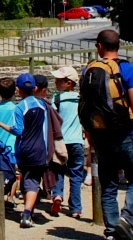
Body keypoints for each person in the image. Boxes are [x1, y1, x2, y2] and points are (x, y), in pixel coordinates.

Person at [80, 29, 133, 240]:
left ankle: (111, 231)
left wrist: (89, 132)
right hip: (123, 131)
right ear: (118, 46)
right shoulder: (126, 69)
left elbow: (84, 104)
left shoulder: (88, 69)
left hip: (99, 133)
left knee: (108, 183)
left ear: (99, 46)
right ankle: (126, 218)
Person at [0, 72, 50, 228]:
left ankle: (27, 212)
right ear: (35, 87)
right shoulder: (43, 105)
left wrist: (1, 125)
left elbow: (18, 130)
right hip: (39, 148)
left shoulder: (20, 107)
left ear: (19, 90)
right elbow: (45, 129)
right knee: (33, 181)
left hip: (24, 148)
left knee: (27, 180)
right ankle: (28, 213)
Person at [50, 66, 85, 219]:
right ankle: (75, 208)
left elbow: (53, 119)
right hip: (77, 140)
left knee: (58, 169)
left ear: (69, 83)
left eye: (60, 80)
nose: (56, 82)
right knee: (76, 175)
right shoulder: (81, 99)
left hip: (61, 141)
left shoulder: (56, 99)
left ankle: (57, 194)